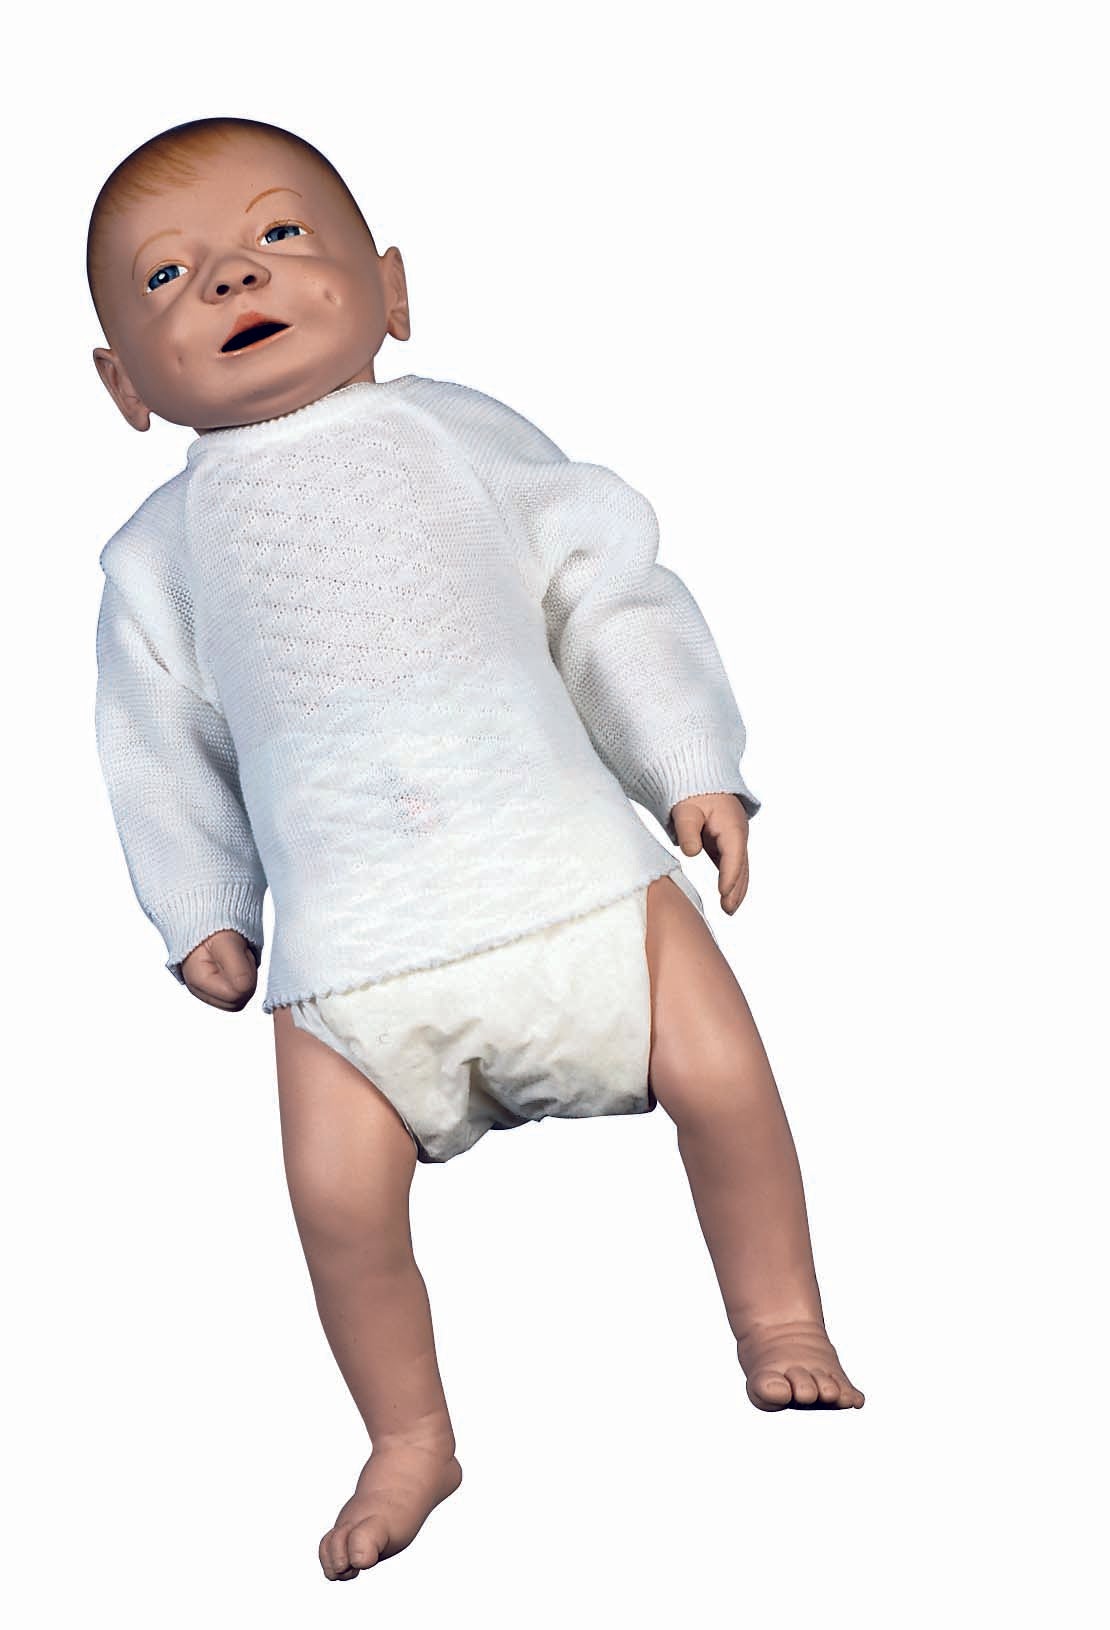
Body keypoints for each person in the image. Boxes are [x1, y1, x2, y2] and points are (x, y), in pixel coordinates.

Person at [87, 115, 865, 1584]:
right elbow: (154, 737)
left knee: (727, 1080)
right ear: (124, 383)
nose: (232, 278)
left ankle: (781, 1318)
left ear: (391, 288)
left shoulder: (457, 434)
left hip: (576, 882)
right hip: (351, 958)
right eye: (169, 275)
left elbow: (604, 596)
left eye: (279, 236)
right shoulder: (156, 553)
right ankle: (408, 1436)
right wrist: (199, 904)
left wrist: (689, 766)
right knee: (335, 1203)